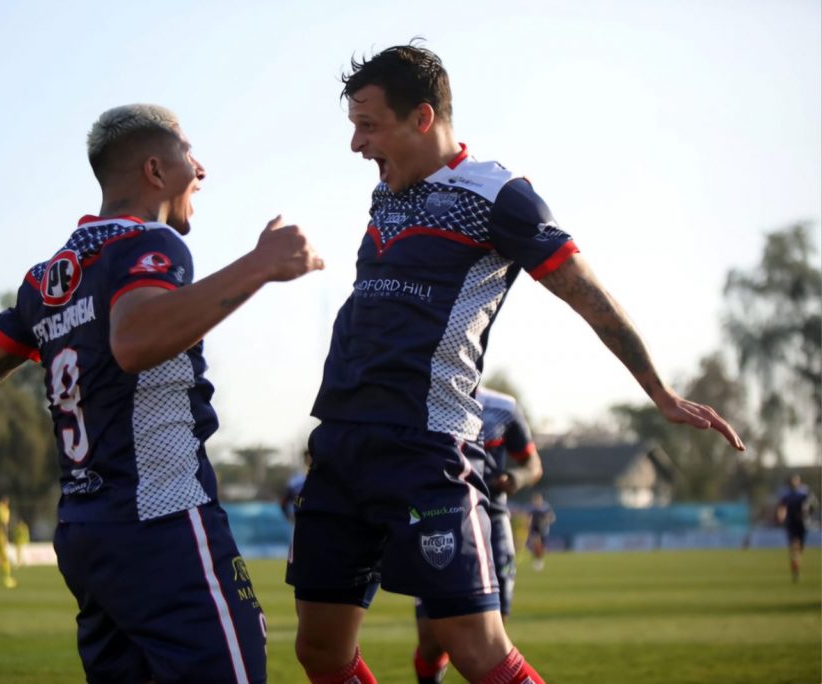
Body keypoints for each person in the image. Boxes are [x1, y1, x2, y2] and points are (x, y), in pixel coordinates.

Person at [286, 43, 745, 684]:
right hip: (339, 443)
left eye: (369, 126)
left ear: (423, 118)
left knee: (477, 651)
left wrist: (659, 391)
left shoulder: (499, 195)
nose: (357, 146)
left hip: (426, 445)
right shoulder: (388, 189)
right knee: (320, 652)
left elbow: (589, 293)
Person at [0, 103, 324, 683]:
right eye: (188, 154)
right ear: (155, 171)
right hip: (163, 520)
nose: (201, 170)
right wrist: (259, 265)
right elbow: (134, 340)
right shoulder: (147, 242)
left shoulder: (50, 275)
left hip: (87, 533)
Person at [413, 386, 544, 683]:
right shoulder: (419, 397)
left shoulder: (503, 407)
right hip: (440, 521)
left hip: (493, 520)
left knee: (491, 637)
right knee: (431, 643)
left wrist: (516, 478)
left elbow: (533, 465)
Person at [776, 474, 817, 583]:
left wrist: (808, 511)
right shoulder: (786, 494)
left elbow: (814, 504)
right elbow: (782, 506)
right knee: (794, 548)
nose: (794, 482)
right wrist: (781, 515)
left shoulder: (805, 492)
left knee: (800, 548)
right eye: (792, 481)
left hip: (803, 524)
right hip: (791, 524)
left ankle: (796, 564)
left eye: (796, 480)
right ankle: (796, 572)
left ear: (799, 481)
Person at [525, 493, 555, 572]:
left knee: (542, 546)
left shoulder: (545, 507)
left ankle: (539, 560)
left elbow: (552, 517)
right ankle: (535, 559)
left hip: (543, 528)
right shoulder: (531, 508)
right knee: (534, 544)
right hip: (534, 528)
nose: (536, 501)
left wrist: (547, 521)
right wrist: (528, 524)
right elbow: (528, 517)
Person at [280, 450, 311, 523]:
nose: (308, 460)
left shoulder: (319, 474)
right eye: (306, 458)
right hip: (305, 511)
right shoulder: (298, 478)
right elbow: (289, 497)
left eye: (310, 458)